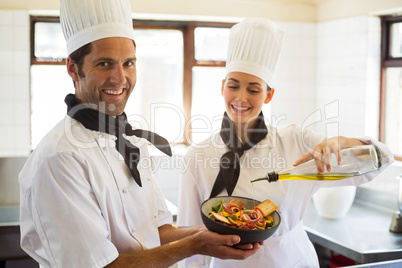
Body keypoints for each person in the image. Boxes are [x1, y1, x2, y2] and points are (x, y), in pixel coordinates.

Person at [18, 1, 262, 267]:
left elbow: (157, 231)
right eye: (104, 63)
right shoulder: (60, 157)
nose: (120, 78)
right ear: (73, 69)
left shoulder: (132, 142)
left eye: (129, 63)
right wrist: (193, 246)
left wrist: (206, 233)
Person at [177, 18, 394, 267]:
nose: (241, 97)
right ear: (222, 87)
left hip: (291, 261)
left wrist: (344, 142)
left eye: (254, 89)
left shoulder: (295, 142)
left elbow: (381, 161)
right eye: (233, 86)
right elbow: (191, 242)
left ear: (269, 94)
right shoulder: (197, 156)